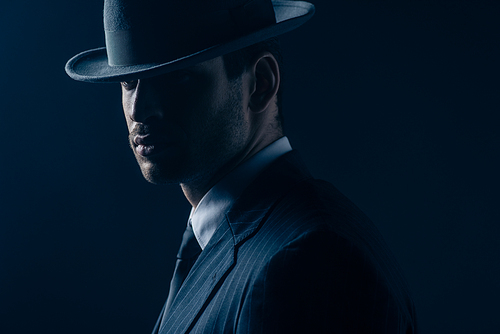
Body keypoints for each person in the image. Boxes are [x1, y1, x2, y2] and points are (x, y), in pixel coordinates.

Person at [66, 0, 417, 333]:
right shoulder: (232, 240)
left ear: (260, 84)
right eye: (128, 82)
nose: (139, 110)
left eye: (176, 77)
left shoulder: (310, 261)